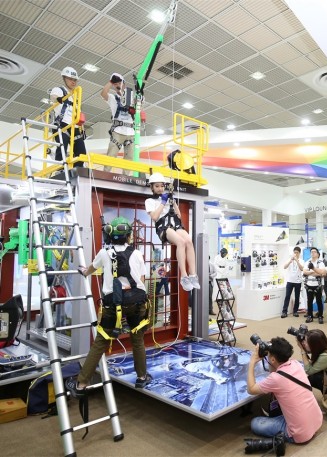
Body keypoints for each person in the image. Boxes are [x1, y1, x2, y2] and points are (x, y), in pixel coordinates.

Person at [65, 216, 151, 396]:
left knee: (100, 342)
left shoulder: (104, 253)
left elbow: (90, 269)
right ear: (129, 236)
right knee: (137, 339)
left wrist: (84, 271)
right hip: (137, 302)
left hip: (113, 305)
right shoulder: (137, 253)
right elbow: (141, 280)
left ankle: (81, 384)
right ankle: (142, 377)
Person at [246, 336, 323, 445]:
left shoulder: (276, 379)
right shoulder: (296, 364)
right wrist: (271, 356)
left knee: (255, 423)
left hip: (300, 434)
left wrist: (252, 362)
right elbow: (275, 371)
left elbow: (251, 389)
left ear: (273, 359)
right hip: (317, 420)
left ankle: (289, 432)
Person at [145, 172, 199, 292]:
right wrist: (162, 203)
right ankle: (184, 276)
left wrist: (173, 202)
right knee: (181, 242)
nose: (160, 188)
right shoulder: (149, 201)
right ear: (152, 187)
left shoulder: (168, 199)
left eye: (162, 186)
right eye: (157, 186)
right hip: (163, 228)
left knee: (189, 241)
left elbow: (179, 216)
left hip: (175, 225)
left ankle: (193, 275)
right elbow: (154, 217)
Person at [49, 66, 86, 166]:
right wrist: (59, 99)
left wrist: (82, 129)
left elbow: (78, 113)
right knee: (62, 145)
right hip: (61, 124)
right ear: (64, 78)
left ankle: (76, 171)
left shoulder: (75, 96)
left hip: (74, 126)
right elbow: (53, 97)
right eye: (70, 79)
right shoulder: (59, 90)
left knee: (81, 152)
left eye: (75, 80)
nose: (73, 82)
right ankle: (59, 170)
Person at [101, 73, 134, 175]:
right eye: (115, 84)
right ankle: (105, 175)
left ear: (124, 84)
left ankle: (126, 177)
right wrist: (110, 82)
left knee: (130, 157)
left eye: (119, 83)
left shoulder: (131, 98)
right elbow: (103, 93)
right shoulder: (113, 98)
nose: (117, 85)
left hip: (131, 132)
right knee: (111, 155)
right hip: (118, 131)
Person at [281, 247, 304, 318]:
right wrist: (290, 261)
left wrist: (297, 261)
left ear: (299, 253)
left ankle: (295, 311)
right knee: (287, 296)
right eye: (294, 252)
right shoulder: (289, 259)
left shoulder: (301, 260)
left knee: (297, 297)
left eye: (297, 252)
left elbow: (302, 268)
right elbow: (284, 267)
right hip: (289, 281)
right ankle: (284, 312)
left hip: (298, 281)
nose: (295, 254)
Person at [302, 247, 324, 324]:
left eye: (314, 252)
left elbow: (321, 273)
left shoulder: (320, 263)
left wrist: (310, 272)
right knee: (309, 301)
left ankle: (320, 316)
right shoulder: (307, 262)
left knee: (319, 301)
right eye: (311, 252)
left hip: (317, 285)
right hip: (308, 284)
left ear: (318, 254)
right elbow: (304, 272)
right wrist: (314, 272)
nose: (313, 253)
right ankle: (310, 316)